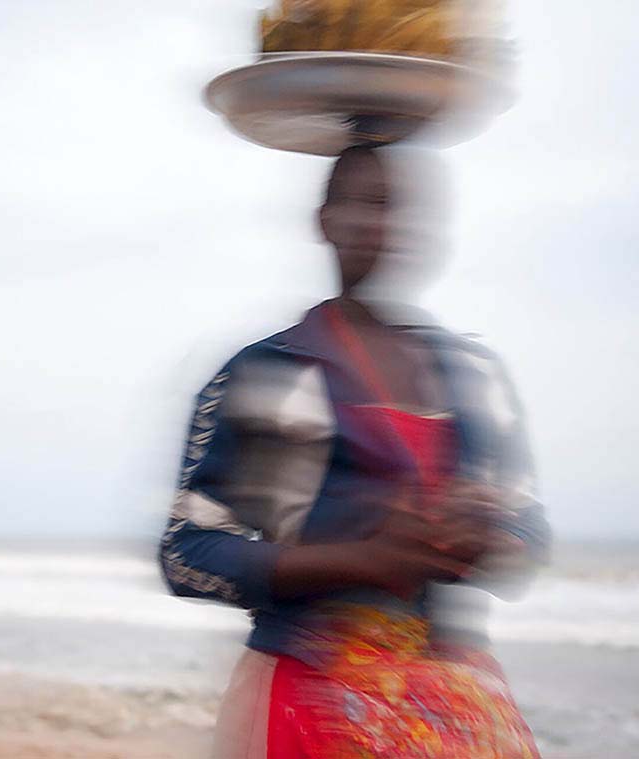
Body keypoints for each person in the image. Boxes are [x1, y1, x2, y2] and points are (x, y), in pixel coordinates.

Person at [159, 145, 550, 758]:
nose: (384, 225)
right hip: (307, 696)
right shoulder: (263, 372)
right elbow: (184, 554)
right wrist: (361, 559)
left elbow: (529, 529)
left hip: (452, 703)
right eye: (365, 203)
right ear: (324, 220)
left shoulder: (475, 376)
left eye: (401, 208)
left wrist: (489, 538)